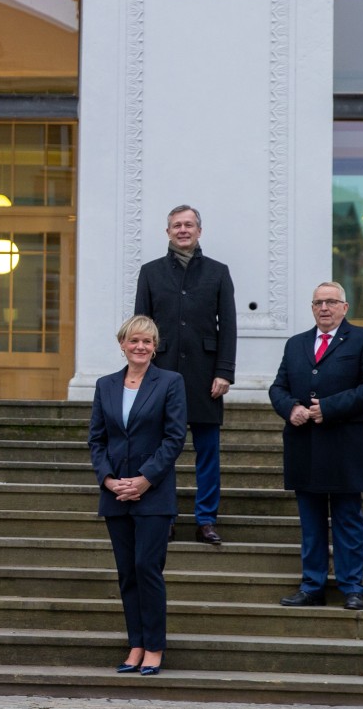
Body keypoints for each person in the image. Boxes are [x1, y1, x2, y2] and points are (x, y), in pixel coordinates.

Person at [269, 282, 363, 611]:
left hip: (346, 444)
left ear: (344, 307)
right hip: (304, 445)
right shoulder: (296, 344)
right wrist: (290, 407)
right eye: (319, 302)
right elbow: (278, 386)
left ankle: (352, 587)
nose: (324, 308)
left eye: (331, 302)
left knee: (348, 518)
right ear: (312, 308)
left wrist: (330, 408)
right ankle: (312, 586)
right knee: (311, 521)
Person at [88, 315, 187, 677]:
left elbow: (174, 438)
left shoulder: (171, 383)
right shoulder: (106, 385)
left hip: (154, 496)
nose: (140, 347)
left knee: (148, 570)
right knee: (127, 573)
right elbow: (97, 440)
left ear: (155, 346)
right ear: (123, 344)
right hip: (115, 495)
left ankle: (155, 646)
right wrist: (109, 480)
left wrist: (145, 480)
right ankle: (136, 644)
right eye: (134, 341)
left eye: (147, 341)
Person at [134, 204, 236, 545]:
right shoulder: (149, 272)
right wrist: (142, 373)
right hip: (160, 375)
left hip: (206, 376)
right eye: (176, 225)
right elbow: (141, 327)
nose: (182, 230)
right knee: (162, 449)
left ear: (199, 231)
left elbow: (229, 328)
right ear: (168, 232)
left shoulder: (219, 273)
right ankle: (166, 516)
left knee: (207, 451)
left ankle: (206, 519)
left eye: (188, 225)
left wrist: (224, 372)